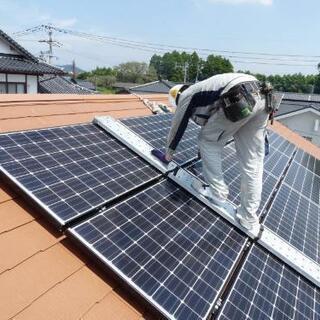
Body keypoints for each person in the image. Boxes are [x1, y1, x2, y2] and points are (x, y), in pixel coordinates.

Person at [152, 73, 271, 230]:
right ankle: (249, 217)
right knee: (253, 162)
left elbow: (178, 126)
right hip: (263, 96)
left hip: (238, 97)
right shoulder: (207, 90)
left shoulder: (187, 95)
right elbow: (213, 125)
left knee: (207, 141)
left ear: (177, 98)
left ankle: (218, 193)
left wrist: (168, 154)